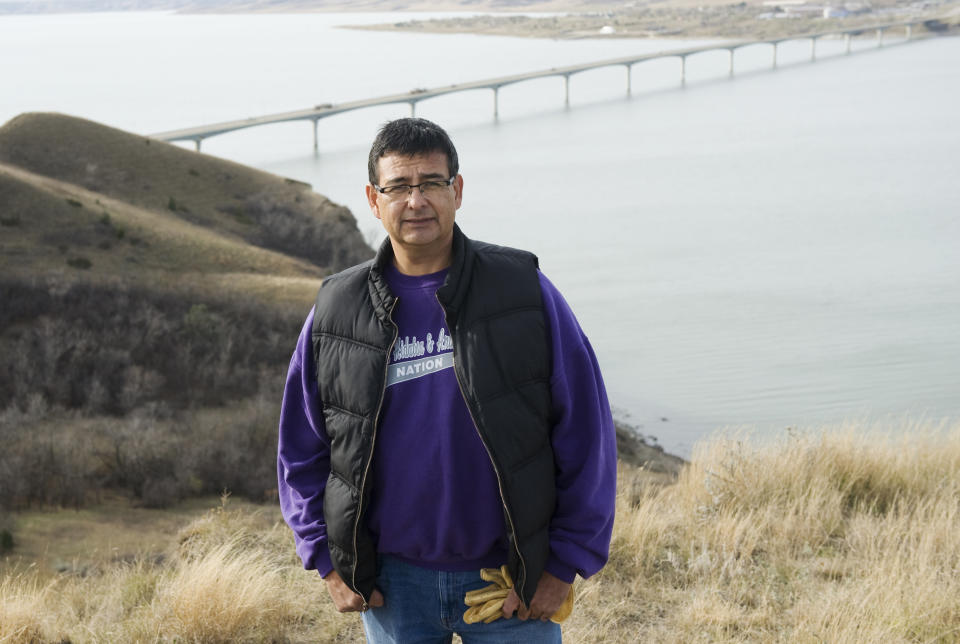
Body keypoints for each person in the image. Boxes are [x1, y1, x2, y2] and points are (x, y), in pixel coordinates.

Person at [278, 117, 617, 643]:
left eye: (432, 183)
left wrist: (562, 565)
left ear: (456, 190)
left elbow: (586, 432)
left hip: (509, 578)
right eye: (398, 187)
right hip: (392, 585)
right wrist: (326, 560)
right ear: (373, 198)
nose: (416, 201)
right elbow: (301, 447)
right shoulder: (336, 310)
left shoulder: (523, 291)